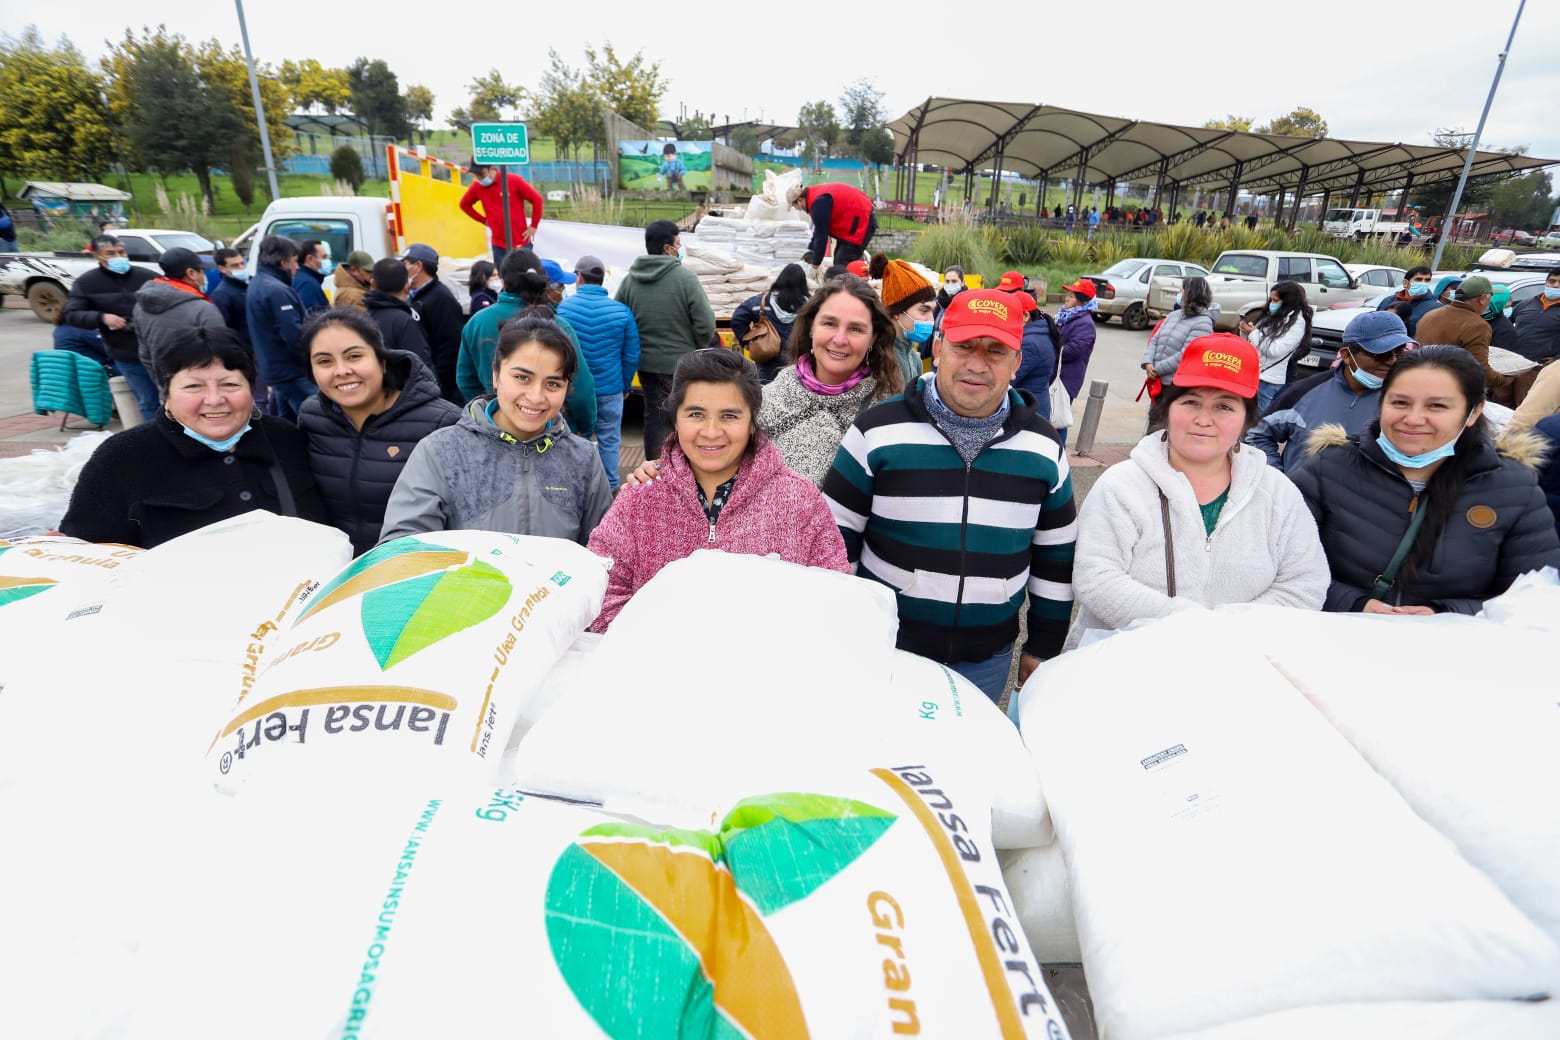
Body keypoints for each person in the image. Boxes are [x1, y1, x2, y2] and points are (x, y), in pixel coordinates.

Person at [822, 289, 1077, 705]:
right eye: (964, 347)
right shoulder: (876, 431)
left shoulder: (1043, 447)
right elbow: (835, 543)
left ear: (1016, 363)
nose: (977, 364)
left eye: (996, 351)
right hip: (888, 648)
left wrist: (1043, 646)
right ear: (938, 349)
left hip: (986, 659)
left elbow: (1055, 558)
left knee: (966, 762)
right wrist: (843, 634)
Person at [1067, 333, 1328, 648]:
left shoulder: (1278, 494)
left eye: (1224, 407)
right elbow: (1096, 578)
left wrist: (1229, 634)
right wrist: (1189, 626)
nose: (1204, 419)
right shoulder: (1121, 485)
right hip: (1123, 667)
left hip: (1238, 666)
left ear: (1247, 421)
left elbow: (1305, 583)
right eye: (1190, 402)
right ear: (1168, 408)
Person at [587, 348, 850, 631]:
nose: (711, 432)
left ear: (753, 418)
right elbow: (598, 594)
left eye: (729, 416)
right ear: (676, 417)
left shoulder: (800, 501)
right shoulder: (640, 499)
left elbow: (834, 600)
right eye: (696, 414)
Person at [1293, 345, 1560, 615]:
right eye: (1400, 402)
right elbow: (1284, 568)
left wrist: (1445, 613)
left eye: (1437, 406)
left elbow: (1532, 596)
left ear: (1474, 412)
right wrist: (1353, 603)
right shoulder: (1329, 469)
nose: (1414, 419)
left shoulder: (1513, 488)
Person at [59, 327, 327, 548]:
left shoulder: (285, 438)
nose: (214, 400)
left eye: (230, 384)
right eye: (193, 386)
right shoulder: (123, 456)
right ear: (167, 395)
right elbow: (87, 553)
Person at [380, 316, 612, 543]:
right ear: (496, 375)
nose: (536, 396)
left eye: (553, 383)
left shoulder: (584, 458)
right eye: (522, 377)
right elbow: (402, 549)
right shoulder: (440, 451)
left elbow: (606, 551)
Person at [295, 309, 461, 555]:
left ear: (382, 360)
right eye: (324, 361)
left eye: (354, 356)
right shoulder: (312, 417)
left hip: (412, 573)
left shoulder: (442, 423)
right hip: (336, 573)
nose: (341, 370)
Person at [1246, 309, 1409, 475]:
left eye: (1400, 352)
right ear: (1347, 355)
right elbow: (1257, 434)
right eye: (1381, 354)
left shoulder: (1408, 401)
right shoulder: (1305, 391)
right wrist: (1277, 479)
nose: (1392, 361)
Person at [457, 247, 597, 432]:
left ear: (503, 282)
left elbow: (466, 380)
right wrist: (583, 426)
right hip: (550, 431)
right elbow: (581, 390)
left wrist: (488, 416)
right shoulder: (558, 326)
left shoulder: (477, 323)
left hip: (495, 429)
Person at [616, 220, 715, 461]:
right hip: (680, 365)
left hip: (646, 364)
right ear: (666, 248)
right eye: (678, 244)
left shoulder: (630, 280)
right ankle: (680, 469)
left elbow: (620, 319)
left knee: (653, 416)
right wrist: (696, 347)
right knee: (683, 416)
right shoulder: (685, 278)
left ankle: (655, 469)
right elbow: (706, 324)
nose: (680, 249)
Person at [557, 253, 641, 491]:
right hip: (610, 388)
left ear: (579, 277)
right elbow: (631, 354)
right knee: (610, 439)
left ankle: (579, 487)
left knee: (576, 438)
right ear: (602, 279)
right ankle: (610, 486)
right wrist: (625, 385)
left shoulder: (564, 309)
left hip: (574, 390)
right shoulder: (621, 312)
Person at [63, 233, 157, 420]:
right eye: (111, 253)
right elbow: (72, 314)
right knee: (148, 401)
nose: (118, 257)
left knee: (176, 398)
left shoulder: (147, 276)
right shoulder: (87, 283)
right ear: (98, 257)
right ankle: (156, 443)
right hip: (126, 351)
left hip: (159, 348)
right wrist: (102, 317)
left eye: (121, 252)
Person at [133, 246, 226, 388]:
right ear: (191, 273)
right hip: (205, 388)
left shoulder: (140, 306)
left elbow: (145, 354)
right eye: (202, 272)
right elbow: (222, 353)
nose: (204, 277)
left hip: (171, 388)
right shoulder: (203, 309)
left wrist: (165, 388)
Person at [246, 235, 315, 422]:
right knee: (318, 416)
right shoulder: (276, 290)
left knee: (287, 419)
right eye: (294, 261)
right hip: (290, 370)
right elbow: (293, 334)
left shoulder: (258, 283)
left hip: (275, 369)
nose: (297, 267)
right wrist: (315, 360)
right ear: (283, 263)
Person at [1414, 274, 1510, 399]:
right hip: (1449, 390)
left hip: (1418, 381)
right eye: (1490, 297)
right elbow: (1479, 371)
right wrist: (1503, 379)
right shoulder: (1477, 325)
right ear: (1482, 299)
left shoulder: (1431, 315)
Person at [400, 243, 464, 403]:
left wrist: (437, 380)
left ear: (418, 266)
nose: (401, 269)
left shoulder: (441, 298)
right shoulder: (415, 296)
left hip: (442, 388)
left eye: (405, 264)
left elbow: (451, 344)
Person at [731, 262, 809, 386]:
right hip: (797, 363)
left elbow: (737, 318)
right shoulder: (809, 307)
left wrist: (746, 340)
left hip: (767, 361)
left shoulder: (761, 302)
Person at [1240, 280, 1312, 412]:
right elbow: (1253, 343)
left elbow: (1274, 350)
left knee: (1257, 420)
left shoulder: (1297, 324)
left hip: (1268, 378)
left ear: (1288, 301)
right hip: (1254, 373)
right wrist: (1246, 331)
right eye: (1271, 300)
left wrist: (1254, 333)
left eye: (1276, 300)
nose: (1272, 304)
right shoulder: (1274, 317)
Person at [459, 159, 544, 263]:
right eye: (477, 175)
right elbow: (464, 204)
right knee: (502, 276)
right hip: (498, 245)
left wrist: (534, 225)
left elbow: (537, 200)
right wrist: (484, 220)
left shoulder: (513, 180)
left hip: (521, 242)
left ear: (491, 168)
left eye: (482, 174)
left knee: (523, 276)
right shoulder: (477, 187)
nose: (480, 178)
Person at [871, 253, 936, 386]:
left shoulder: (914, 359)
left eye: (932, 311)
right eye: (924, 310)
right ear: (896, 312)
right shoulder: (878, 357)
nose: (931, 319)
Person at [1142, 276, 1218, 389]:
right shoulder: (1174, 315)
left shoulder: (1203, 323)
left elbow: (1186, 354)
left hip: (1176, 384)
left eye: (1181, 291)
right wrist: (1148, 363)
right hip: (1158, 380)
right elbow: (1155, 340)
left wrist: (1158, 369)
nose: (1179, 294)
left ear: (1189, 294)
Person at [786, 181, 877, 268]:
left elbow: (821, 236)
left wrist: (814, 266)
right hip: (855, 219)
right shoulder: (815, 196)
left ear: (799, 200)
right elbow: (819, 230)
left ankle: (851, 282)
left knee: (842, 264)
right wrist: (811, 251)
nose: (797, 209)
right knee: (839, 260)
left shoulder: (818, 203)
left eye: (795, 206)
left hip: (862, 221)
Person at [1053, 277, 1099, 447]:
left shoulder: (1085, 324)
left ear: (1081, 302)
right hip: (1055, 377)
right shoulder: (1064, 317)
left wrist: (1051, 349)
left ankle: (1059, 458)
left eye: (1071, 296)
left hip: (1066, 380)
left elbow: (1074, 351)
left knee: (1059, 420)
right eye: (1067, 294)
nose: (1066, 298)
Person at [363, 258, 432, 368]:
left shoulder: (362, 320)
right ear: (407, 286)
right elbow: (420, 366)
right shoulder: (404, 321)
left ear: (373, 284)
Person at [1510, 268, 1560, 366]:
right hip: (1514, 363)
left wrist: (1557, 359)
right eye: (1552, 281)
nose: (1556, 285)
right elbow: (1505, 326)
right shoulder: (1526, 304)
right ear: (1546, 283)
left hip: (1543, 367)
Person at [1374, 265, 1440, 337]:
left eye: (1427, 280)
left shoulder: (1436, 308)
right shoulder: (1387, 301)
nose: (1423, 283)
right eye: (1418, 279)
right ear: (1406, 283)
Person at [210, 248, 251, 348]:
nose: (241, 268)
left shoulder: (251, 284)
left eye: (242, 263)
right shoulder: (221, 295)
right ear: (222, 268)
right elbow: (225, 329)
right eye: (235, 265)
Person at [292, 239, 331, 314]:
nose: (328, 261)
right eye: (324, 257)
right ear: (310, 259)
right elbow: (312, 318)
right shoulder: (308, 284)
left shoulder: (301, 278)